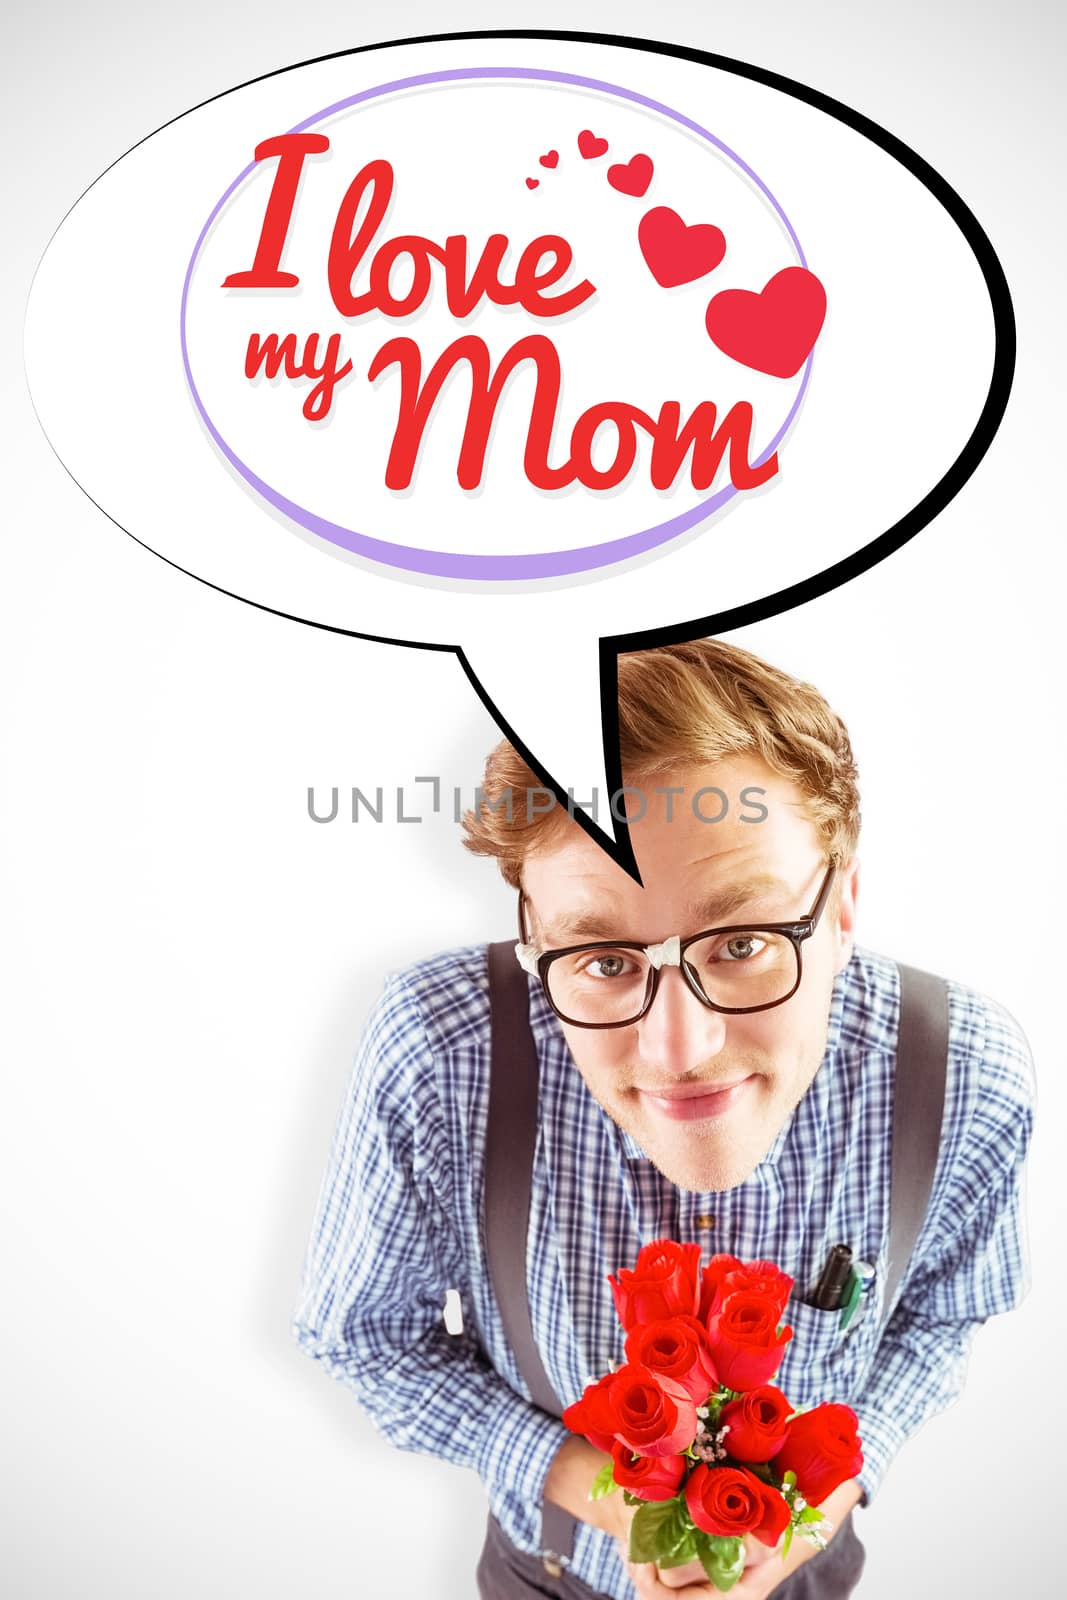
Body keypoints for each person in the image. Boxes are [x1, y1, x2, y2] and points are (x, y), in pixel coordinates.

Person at [291, 638, 1033, 1599]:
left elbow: (944, 1317)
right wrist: (604, 1496)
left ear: (843, 908)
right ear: (530, 934)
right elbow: (366, 1335)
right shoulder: (439, 1053)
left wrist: (814, 1518)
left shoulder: (963, 1074)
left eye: (743, 941)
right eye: (602, 957)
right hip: (548, 1571)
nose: (678, 1048)